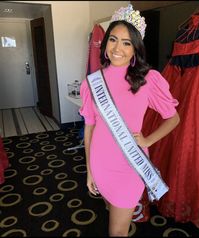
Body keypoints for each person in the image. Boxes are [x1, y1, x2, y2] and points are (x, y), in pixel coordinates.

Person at [79, 4, 180, 236]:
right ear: (105, 44)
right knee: (108, 208)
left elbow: (173, 118)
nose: (118, 48)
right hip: (100, 162)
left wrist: (147, 141)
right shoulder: (92, 82)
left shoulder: (148, 80)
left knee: (117, 232)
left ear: (136, 48)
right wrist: (89, 170)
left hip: (128, 166)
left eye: (126, 43)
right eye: (113, 39)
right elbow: (90, 128)